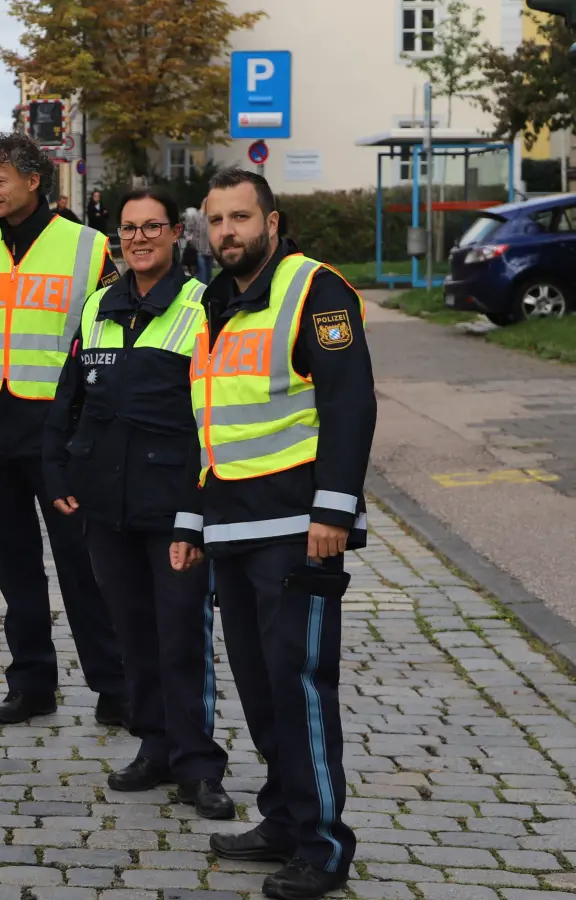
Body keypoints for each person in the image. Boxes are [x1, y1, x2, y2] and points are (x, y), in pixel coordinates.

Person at [172, 169, 375, 900]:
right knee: (259, 688)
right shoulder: (215, 303)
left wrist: (334, 510)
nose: (227, 231)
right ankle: (284, 820)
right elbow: (207, 424)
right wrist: (191, 520)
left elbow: (350, 402)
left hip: (298, 531)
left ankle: (323, 845)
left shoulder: (315, 290)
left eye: (239, 218)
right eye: (216, 220)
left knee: (301, 688)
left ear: (272, 221)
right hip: (231, 528)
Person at [43, 187, 235, 819]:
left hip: (174, 502)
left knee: (181, 633)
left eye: (153, 227)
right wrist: (59, 469)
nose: (140, 239)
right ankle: (155, 746)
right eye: (129, 229)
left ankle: (198, 764)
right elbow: (70, 396)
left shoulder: (204, 305)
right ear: (116, 236)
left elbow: (213, 415)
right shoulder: (101, 303)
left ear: (175, 236)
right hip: (106, 501)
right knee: (133, 634)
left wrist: (199, 506)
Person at [0, 132, 127, 726]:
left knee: (82, 566)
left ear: (33, 181)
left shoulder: (88, 250)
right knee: (14, 568)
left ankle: (114, 685)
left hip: (62, 438)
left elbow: (110, 342)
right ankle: (32, 681)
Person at [183, 205, 213, 283]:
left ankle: (205, 292)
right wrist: (191, 239)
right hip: (199, 250)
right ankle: (201, 292)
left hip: (209, 250)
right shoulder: (196, 216)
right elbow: (188, 230)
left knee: (207, 275)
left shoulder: (210, 217)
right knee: (202, 275)